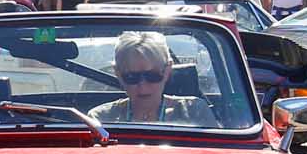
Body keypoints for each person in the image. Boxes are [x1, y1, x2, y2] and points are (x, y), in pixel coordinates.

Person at [90, 30, 218, 128]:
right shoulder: (100, 120)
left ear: (167, 70)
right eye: (131, 77)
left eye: (152, 76)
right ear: (118, 74)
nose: (143, 86)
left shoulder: (195, 112)